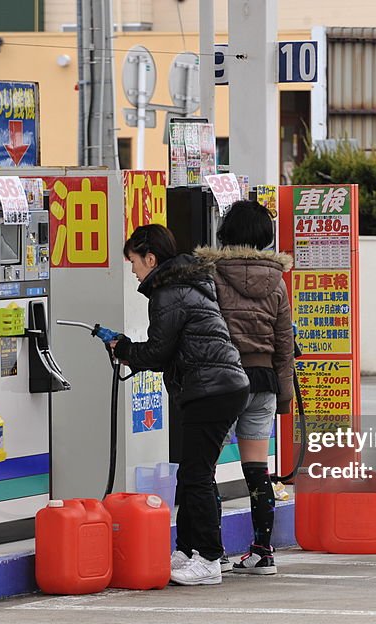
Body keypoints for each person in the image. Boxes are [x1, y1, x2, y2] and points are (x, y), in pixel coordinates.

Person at [110, 224, 249, 586]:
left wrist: (124, 349)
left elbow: (158, 351)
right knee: (190, 473)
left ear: (151, 258)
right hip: (220, 385)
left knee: (196, 475)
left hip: (211, 389)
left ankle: (208, 558)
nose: (133, 270)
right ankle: (188, 552)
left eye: (134, 262)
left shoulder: (167, 291)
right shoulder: (187, 283)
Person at [195, 200, 294, 575]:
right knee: (257, 469)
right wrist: (283, 395)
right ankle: (262, 552)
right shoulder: (277, 283)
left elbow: (204, 330)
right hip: (264, 379)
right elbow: (285, 343)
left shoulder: (212, 276)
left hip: (223, 380)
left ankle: (212, 551)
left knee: (206, 468)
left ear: (226, 233)